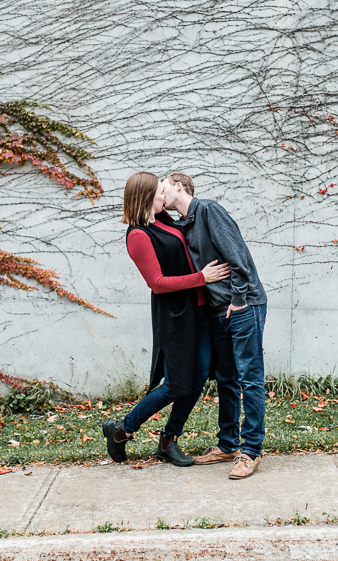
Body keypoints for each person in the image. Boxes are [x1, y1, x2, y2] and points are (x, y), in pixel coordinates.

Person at [102, 171, 231, 466]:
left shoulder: (163, 221)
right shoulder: (138, 235)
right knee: (175, 384)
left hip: (199, 312)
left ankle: (168, 440)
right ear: (145, 196)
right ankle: (122, 431)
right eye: (160, 191)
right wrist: (202, 277)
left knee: (197, 380)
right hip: (175, 318)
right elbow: (158, 282)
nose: (165, 195)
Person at [162, 173, 268, 479]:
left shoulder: (207, 210)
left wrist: (237, 301)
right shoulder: (182, 224)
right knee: (226, 378)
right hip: (219, 311)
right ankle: (227, 444)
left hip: (243, 305)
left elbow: (239, 259)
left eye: (164, 188)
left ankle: (250, 451)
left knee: (249, 377)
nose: (161, 194)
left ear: (178, 187)